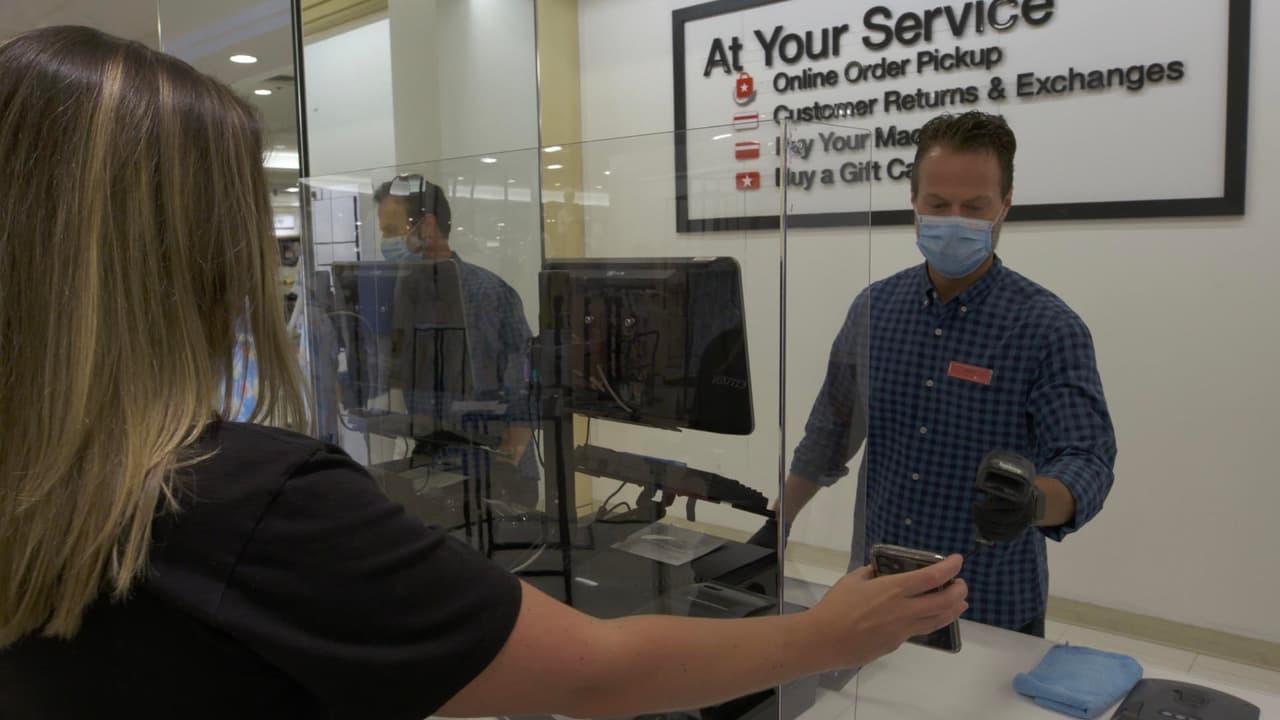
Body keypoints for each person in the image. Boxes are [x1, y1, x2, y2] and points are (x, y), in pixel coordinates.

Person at [0, 26, 967, 720]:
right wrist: (827, 636)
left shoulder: (54, 480)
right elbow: (589, 676)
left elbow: (514, 409)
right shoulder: (250, 502)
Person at [753, 111, 1116, 638]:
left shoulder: (1047, 328)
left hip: (987, 605)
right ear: (914, 203)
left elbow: (1087, 458)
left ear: (1005, 207)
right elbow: (830, 434)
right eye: (938, 205)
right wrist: (778, 521)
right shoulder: (875, 309)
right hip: (874, 591)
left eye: (975, 207)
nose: (955, 219)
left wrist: (1034, 502)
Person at [371, 175, 539, 509]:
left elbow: (525, 380)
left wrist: (507, 464)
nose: (386, 242)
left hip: (492, 472)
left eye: (391, 231)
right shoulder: (400, 294)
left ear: (427, 226)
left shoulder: (486, 293)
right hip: (430, 465)